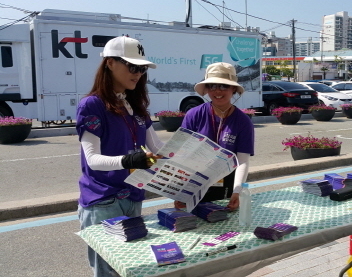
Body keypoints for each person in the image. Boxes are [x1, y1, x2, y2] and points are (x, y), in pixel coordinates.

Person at [76, 36, 164, 277]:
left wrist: (195, 154)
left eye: (142, 68)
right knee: (107, 271)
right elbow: (93, 159)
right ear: (110, 63)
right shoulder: (92, 105)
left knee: (130, 267)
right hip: (103, 200)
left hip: (134, 196)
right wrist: (128, 161)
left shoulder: (136, 106)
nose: (138, 73)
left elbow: (158, 147)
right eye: (132, 66)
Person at [174, 62, 255, 210]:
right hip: (194, 185)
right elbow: (181, 155)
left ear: (234, 89)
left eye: (224, 86)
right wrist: (180, 191)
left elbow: (242, 161)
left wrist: (237, 191)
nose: (217, 91)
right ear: (206, 89)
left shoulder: (243, 122)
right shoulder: (194, 115)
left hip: (227, 187)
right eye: (212, 86)